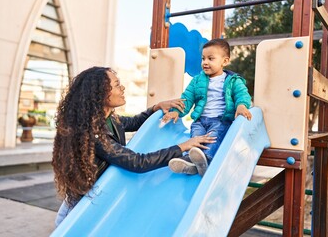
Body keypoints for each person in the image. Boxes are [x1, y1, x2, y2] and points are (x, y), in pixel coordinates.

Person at [52, 66, 216, 226]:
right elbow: (137, 162)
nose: (122, 88)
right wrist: (182, 146)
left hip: (91, 202)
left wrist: (155, 108)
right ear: (100, 93)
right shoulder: (93, 132)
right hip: (77, 210)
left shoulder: (109, 119)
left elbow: (132, 122)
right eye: (116, 85)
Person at [162, 38, 252, 176]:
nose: (205, 62)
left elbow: (242, 95)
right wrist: (176, 112)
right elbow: (187, 98)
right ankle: (192, 161)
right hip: (200, 120)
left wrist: (241, 106)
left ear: (225, 61)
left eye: (211, 58)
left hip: (220, 120)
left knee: (212, 138)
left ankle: (207, 159)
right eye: (203, 58)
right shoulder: (197, 80)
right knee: (196, 139)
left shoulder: (233, 80)